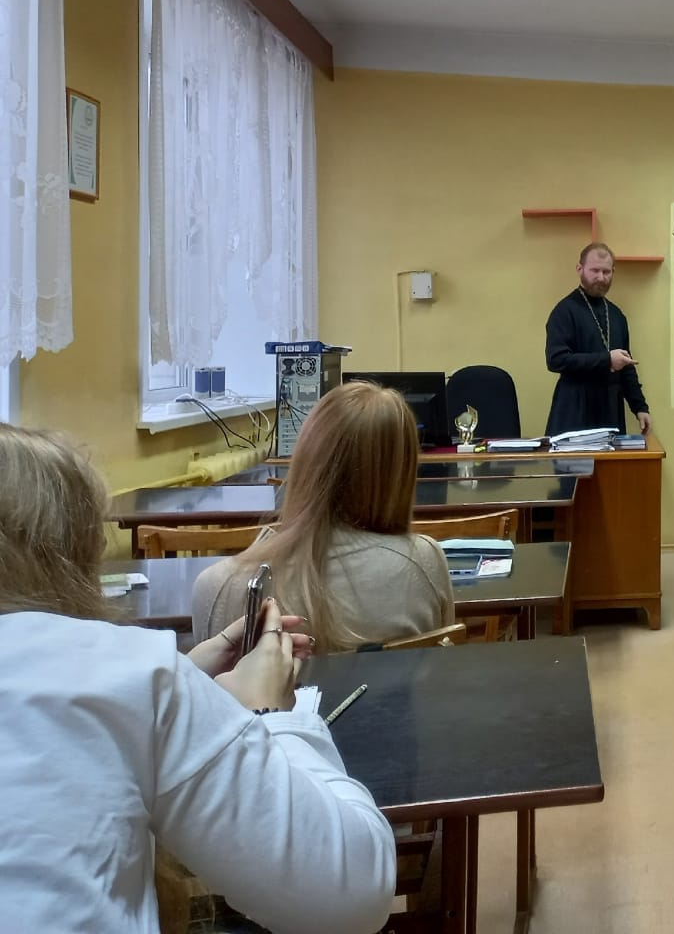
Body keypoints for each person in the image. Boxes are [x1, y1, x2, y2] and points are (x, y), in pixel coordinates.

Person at [0, 423, 395, 934]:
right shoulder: (130, 670)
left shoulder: (130, 674)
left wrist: (187, 677)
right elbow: (351, 895)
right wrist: (268, 715)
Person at [193, 380, 455, 652]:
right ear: (401, 475)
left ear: (305, 457)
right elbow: (439, 666)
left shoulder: (215, 585)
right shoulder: (423, 562)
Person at [544, 242, 652, 436]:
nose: (601, 278)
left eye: (606, 272)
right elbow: (556, 360)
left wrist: (640, 407)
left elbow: (626, 366)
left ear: (613, 272)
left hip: (610, 410)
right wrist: (607, 360)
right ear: (580, 269)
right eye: (594, 271)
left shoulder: (617, 315)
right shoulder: (564, 311)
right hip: (574, 411)